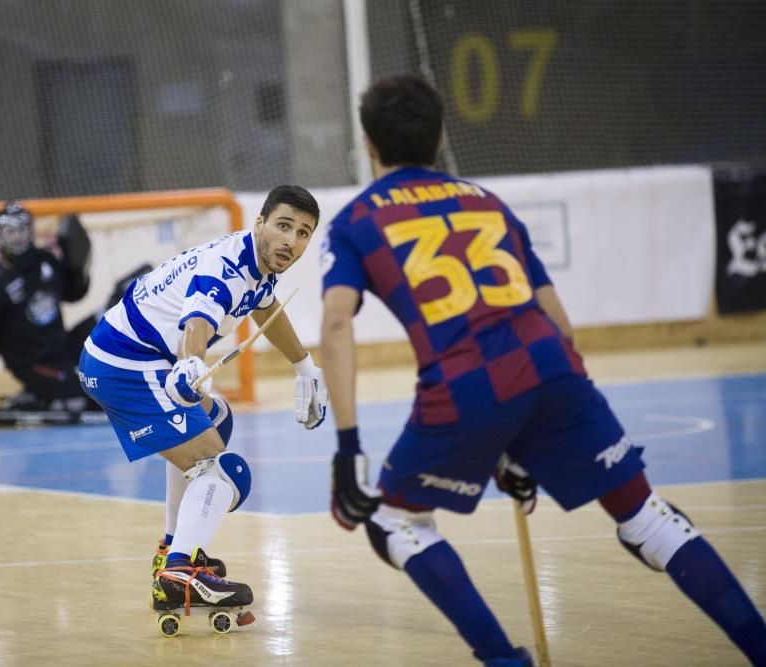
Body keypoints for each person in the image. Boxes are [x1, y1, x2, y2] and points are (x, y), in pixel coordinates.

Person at [319, 74, 766, 666]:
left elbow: (334, 324)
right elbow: (561, 322)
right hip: (555, 368)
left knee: (396, 522)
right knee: (648, 518)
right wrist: (522, 440)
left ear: (369, 145)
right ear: (441, 137)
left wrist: (348, 446)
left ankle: (505, 660)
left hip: (464, 384)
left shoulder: (355, 221)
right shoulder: (486, 201)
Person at [78, 184, 328, 620]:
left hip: (126, 355)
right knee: (226, 471)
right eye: (284, 226)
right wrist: (190, 362)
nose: (291, 240)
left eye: (303, 233)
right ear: (260, 224)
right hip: (126, 364)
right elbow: (199, 316)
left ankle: (173, 551)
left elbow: (265, 309)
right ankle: (179, 571)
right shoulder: (228, 270)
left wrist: (304, 365)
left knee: (217, 418)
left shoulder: (257, 263)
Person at [0, 201, 100, 428]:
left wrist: (76, 267)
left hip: (62, 347)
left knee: (108, 322)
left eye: (22, 231)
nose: (17, 239)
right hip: (32, 365)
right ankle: (36, 396)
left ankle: (46, 392)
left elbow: (73, 294)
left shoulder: (46, 261)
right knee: (93, 385)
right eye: (11, 233)